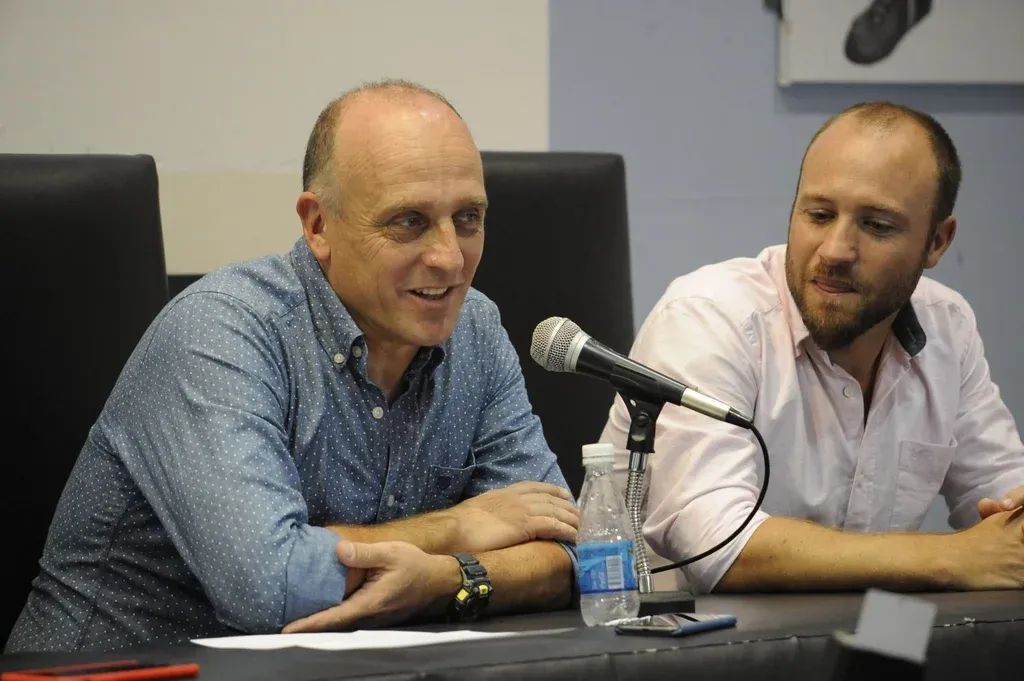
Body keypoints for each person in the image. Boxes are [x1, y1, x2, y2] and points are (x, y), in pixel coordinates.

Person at [7, 79, 579, 653]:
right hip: (115, 667)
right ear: (318, 225)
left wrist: (444, 579)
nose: (450, 258)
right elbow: (270, 586)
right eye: (409, 221)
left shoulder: (475, 328)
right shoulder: (220, 330)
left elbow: (574, 551)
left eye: (468, 218)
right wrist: (460, 526)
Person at [599, 101, 1024, 595]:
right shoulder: (707, 316)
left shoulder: (948, 327)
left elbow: (1006, 499)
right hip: (681, 633)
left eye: (876, 225)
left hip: (865, 630)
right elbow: (717, 546)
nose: (835, 250)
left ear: (937, 242)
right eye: (819, 215)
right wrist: (954, 558)